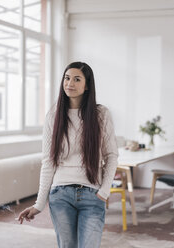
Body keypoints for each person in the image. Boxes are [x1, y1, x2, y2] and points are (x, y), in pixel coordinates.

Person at [18, 61, 118, 248]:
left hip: (92, 194)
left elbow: (111, 155)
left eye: (77, 79)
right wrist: (39, 204)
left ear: (87, 85)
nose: (69, 83)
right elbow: (48, 161)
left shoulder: (101, 114)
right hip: (60, 195)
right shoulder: (53, 115)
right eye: (67, 78)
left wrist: (104, 192)